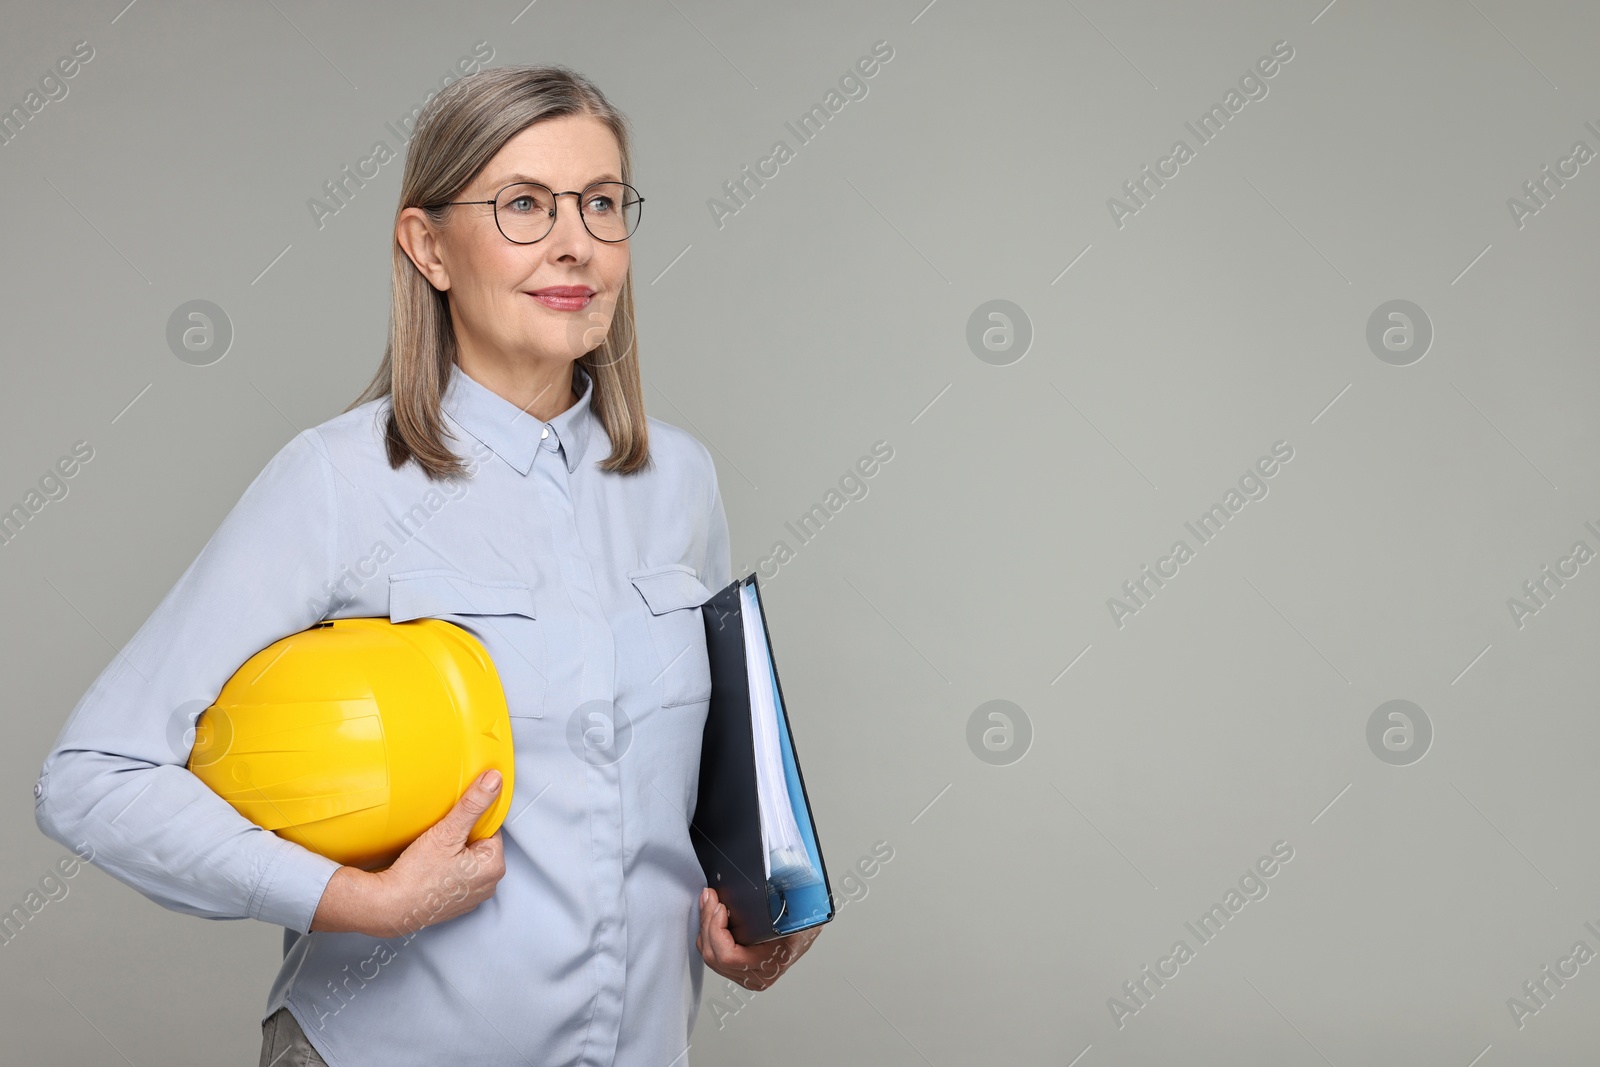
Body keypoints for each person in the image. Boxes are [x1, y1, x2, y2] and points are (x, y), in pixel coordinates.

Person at [33, 64, 819, 1066]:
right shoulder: (337, 479)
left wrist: (755, 911)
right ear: (428, 246)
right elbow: (93, 777)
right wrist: (352, 898)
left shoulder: (682, 479)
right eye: (524, 205)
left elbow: (701, 783)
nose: (575, 240)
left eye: (602, 203)